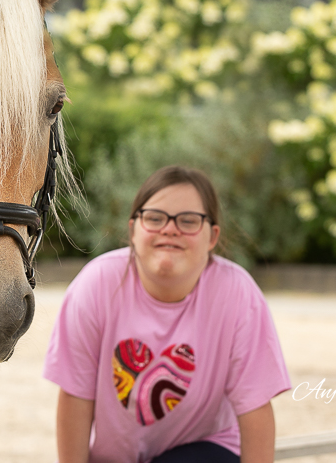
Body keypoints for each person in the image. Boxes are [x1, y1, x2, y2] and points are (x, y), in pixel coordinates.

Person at [43, 166, 290, 463]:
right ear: (133, 230)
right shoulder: (96, 284)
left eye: (188, 221)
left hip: (205, 450)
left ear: (212, 237)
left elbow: (255, 406)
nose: (170, 229)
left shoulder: (237, 294)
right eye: (155, 218)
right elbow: (75, 395)